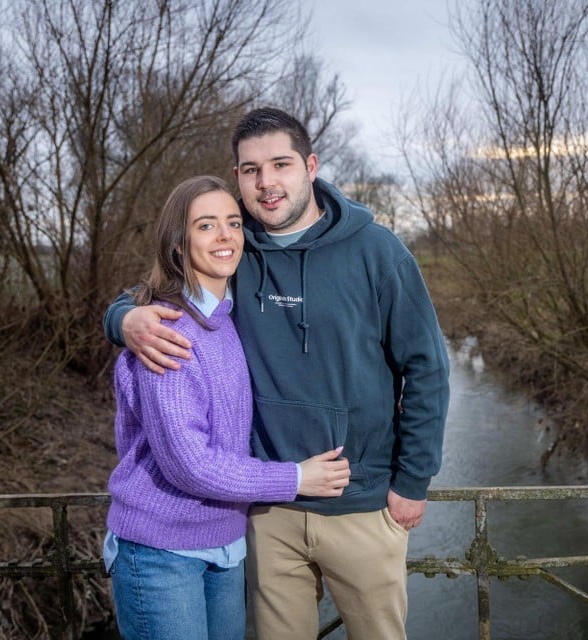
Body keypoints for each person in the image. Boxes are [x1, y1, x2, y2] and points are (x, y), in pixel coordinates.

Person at [104, 108, 451, 639]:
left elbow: (426, 367)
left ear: (310, 166)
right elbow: (156, 294)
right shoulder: (236, 250)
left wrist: (414, 479)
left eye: (280, 164)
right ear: (239, 178)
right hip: (265, 511)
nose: (266, 182)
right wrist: (123, 319)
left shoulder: (378, 252)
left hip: (360, 501)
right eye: (249, 170)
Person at [103, 174, 351, 640]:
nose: (224, 236)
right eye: (206, 225)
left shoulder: (230, 317)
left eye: (234, 223)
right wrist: (296, 478)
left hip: (225, 544)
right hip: (161, 551)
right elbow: (190, 465)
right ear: (178, 244)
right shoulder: (167, 330)